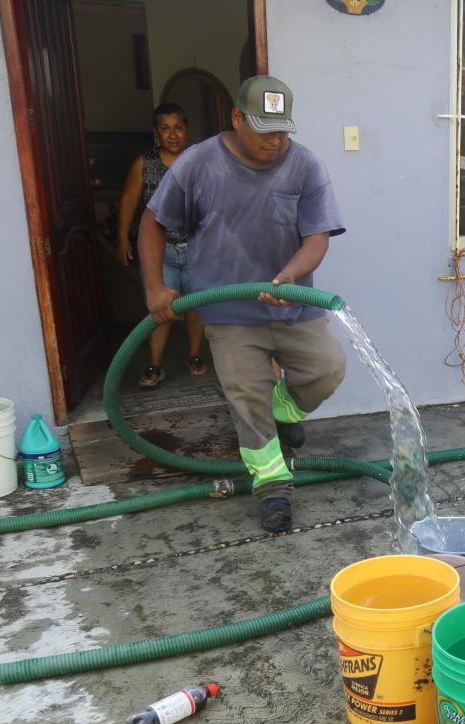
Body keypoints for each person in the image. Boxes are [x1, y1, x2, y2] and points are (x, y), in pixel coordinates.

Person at [139, 76, 347, 534]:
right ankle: (273, 486)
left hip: (292, 306)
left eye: (282, 131)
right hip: (229, 314)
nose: (275, 142)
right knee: (246, 397)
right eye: (264, 130)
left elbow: (316, 237)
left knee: (327, 369)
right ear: (236, 118)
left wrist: (290, 275)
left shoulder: (306, 167)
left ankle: (285, 409)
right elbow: (153, 222)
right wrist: (154, 286)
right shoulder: (197, 164)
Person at [116, 102, 208, 387]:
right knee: (160, 311)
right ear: (156, 132)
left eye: (178, 128)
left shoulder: (200, 161)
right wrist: (121, 239)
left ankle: (194, 355)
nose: (173, 135)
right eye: (165, 129)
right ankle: (154, 364)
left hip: (196, 249)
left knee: (197, 308)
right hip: (160, 252)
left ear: (186, 130)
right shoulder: (144, 164)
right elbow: (129, 202)